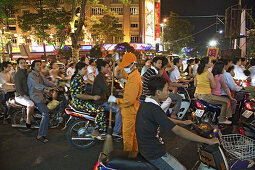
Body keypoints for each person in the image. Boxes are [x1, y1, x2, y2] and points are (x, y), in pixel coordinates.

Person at [136, 76, 219, 170]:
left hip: (148, 149)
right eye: (167, 90)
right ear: (158, 92)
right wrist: (207, 141)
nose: (169, 93)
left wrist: (182, 122)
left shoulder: (146, 104)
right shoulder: (153, 109)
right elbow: (178, 131)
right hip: (154, 153)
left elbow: (164, 119)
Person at [108, 53, 142, 151]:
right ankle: (134, 154)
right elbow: (124, 72)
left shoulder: (133, 80)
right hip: (131, 111)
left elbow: (129, 101)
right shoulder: (132, 73)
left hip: (130, 112)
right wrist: (118, 60)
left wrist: (115, 100)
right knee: (133, 136)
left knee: (128, 138)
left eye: (127, 66)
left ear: (133, 64)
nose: (125, 68)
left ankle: (128, 158)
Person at [70, 62, 106, 140]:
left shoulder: (79, 78)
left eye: (86, 68)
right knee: (100, 110)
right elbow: (78, 95)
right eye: (84, 69)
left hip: (82, 102)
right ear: (79, 70)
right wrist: (93, 97)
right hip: (80, 103)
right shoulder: (77, 79)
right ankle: (95, 131)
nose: (86, 70)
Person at [194, 57, 232, 124]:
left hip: (197, 94)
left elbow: (195, 84)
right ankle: (222, 119)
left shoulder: (198, 73)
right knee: (226, 101)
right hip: (206, 96)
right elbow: (213, 86)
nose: (212, 63)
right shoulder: (209, 74)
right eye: (210, 62)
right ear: (206, 64)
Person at [27, 60, 55, 143]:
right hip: (36, 97)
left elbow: (46, 81)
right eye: (37, 65)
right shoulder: (31, 76)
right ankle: (40, 135)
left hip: (41, 96)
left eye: (40, 65)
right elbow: (37, 85)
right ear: (33, 67)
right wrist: (47, 88)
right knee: (45, 114)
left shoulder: (39, 74)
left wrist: (55, 85)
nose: (39, 66)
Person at [92, 60, 122, 135]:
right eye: (107, 67)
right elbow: (108, 90)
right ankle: (116, 131)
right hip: (101, 102)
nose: (108, 69)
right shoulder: (100, 78)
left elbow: (108, 88)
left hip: (104, 99)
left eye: (109, 67)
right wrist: (118, 92)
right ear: (102, 67)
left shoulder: (102, 77)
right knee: (119, 109)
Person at [14, 58, 35, 128]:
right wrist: (24, 95)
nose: (23, 64)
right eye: (21, 63)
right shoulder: (17, 75)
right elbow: (18, 87)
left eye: (24, 62)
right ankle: (28, 119)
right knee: (31, 104)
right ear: (18, 65)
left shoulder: (27, 72)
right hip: (20, 96)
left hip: (28, 94)